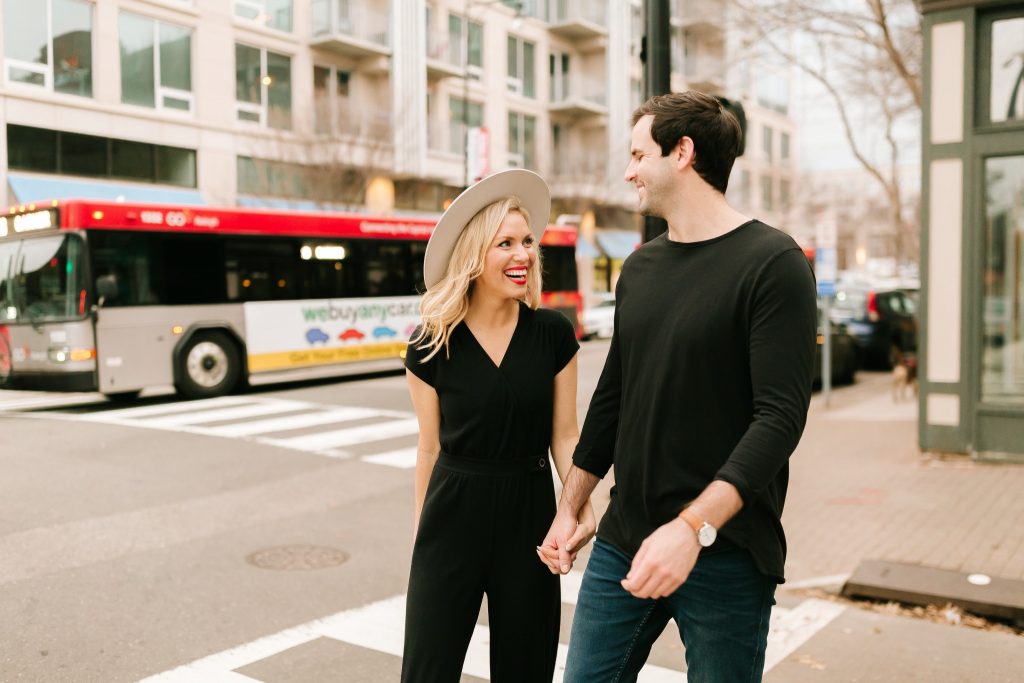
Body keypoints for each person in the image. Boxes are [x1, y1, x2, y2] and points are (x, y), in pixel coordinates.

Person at [537, 91, 817, 682]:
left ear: (682, 152)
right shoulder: (640, 267)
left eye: (639, 154)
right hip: (623, 541)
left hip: (726, 553)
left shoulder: (774, 263)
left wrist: (692, 528)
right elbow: (613, 397)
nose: (629, 171)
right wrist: (571, 506)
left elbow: (780, 419)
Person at [401, 169, 596, 682]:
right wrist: (424, 536)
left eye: (528, 242)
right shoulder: (430, 343)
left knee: (526, 669)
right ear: (473, 254)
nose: (524, 255)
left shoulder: (552, 334)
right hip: (451, 514)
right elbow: (428, 448)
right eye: (505, 243)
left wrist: (579, 506)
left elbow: (565, 435)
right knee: (427, 670)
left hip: (528, 513)